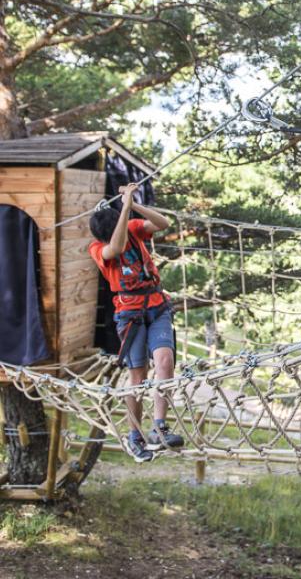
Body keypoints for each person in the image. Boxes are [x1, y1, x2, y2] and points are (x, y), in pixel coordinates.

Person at [88, 183, 184, 462]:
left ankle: (160, 426)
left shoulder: (133, 229)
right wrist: (125, 208)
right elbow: (115, 247)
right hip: (129, 314)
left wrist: (133, 204)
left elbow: (163, 223)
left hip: (156, 306)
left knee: (165, 361)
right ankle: (134, 435)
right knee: (138, 377)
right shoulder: (97, 248)